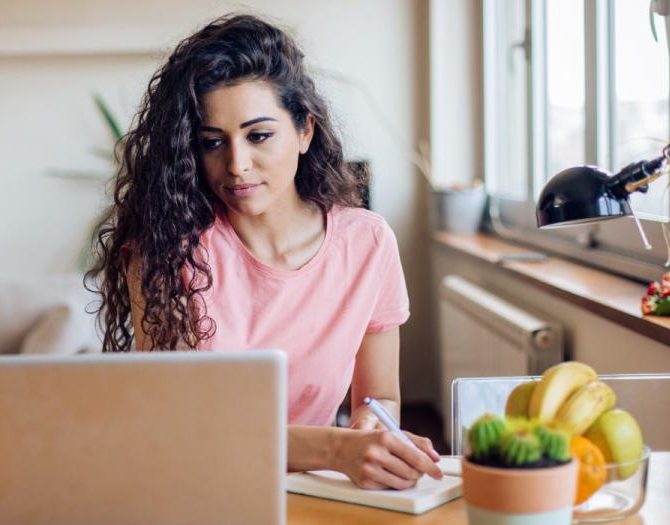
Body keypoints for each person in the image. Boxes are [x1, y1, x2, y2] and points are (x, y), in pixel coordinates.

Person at [86, 13, 442, 489]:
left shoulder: (368, 243)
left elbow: (378, 398)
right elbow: (185, 427)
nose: (236, 165)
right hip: (192, 487)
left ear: (304, 131)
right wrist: (337, 448)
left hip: (316, 490)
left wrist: (371, 433)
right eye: (213, 143)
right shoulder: (167, 252)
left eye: (259, 136)